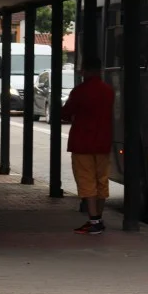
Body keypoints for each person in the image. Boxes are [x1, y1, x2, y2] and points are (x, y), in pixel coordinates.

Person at [61, 56, 114, 235]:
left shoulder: (80, 91)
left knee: (86, 181)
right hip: (103, 142)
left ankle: (94, 221)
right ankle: (99, 217)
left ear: (85, 71)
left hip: (82, 142)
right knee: (101, 180)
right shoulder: (108, 91)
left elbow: (66, 113)